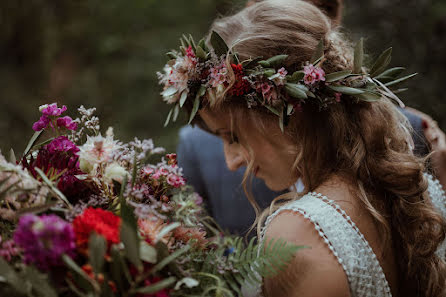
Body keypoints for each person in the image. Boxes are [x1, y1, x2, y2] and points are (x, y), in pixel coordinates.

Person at [158, 0, 446, 295]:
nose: (231, 161)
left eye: (233, 136)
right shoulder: (421, 190)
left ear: (285, 112)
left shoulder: (298, 233)